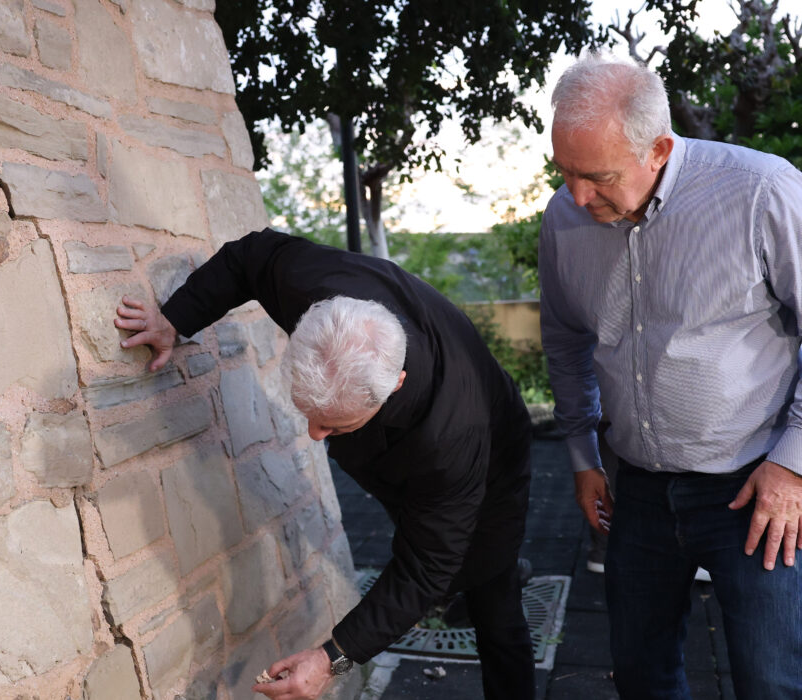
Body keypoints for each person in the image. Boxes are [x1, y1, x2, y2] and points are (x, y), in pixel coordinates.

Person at [538, 53, 802, 699]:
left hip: (755, 485)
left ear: (659, 148)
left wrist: (795, 465)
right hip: (634, 490)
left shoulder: (759, 190)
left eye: (598, 176)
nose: (577, 197)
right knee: (641, 675)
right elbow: (566, 340)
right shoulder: (564, 217)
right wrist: (583, 456)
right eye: (565, 172)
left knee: (772, 680)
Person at [115, 229, 536, 700]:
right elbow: (250, 257)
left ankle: (497, 581)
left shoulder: (450, 440)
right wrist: (175, 319)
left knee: (492, 598)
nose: (314, 436)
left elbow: (423, 566)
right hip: (409, 460)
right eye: (309, 417)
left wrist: (330, 657)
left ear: (394, 384)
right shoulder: (312, 285)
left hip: (495, 451)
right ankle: (458, 585)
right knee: (427, 543)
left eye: (332, 426)